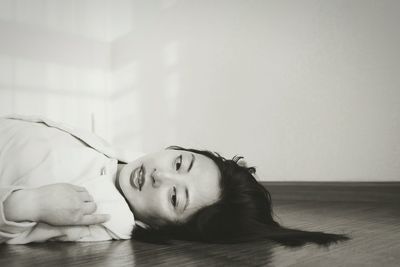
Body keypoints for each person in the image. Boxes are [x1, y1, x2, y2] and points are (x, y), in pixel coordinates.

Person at [0, 115, 348, 246]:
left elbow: (23, 230)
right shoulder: (124, 159)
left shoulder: (104, 215)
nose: (159, 175)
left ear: (160, 226)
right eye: (180, 162)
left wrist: (28, 204)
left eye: (174, 198)